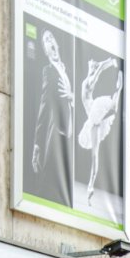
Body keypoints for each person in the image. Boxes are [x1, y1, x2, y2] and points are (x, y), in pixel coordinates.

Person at [31, 29, 74, 206]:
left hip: (70, 135)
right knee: (47, 187)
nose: (51, 41)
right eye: (46, 39)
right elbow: (44, 105)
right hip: (56, 135)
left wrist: (72, 97)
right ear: (46, 50)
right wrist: (37, 143)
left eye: (52, 38)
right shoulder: (48, 71)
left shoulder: (68, 69)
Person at [78, 57, 123, 204]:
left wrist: (106, 63)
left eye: (93, 64)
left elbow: (98, 71)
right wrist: (108, 63)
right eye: (91, 64)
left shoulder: (87, 82)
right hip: (94, 117)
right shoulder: (87, 83)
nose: (93, 66)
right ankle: (90, 186)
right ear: (89, 67)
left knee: (95, 156)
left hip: (96, 117)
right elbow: (97, 73)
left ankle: (90, 186)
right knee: (94, 155)